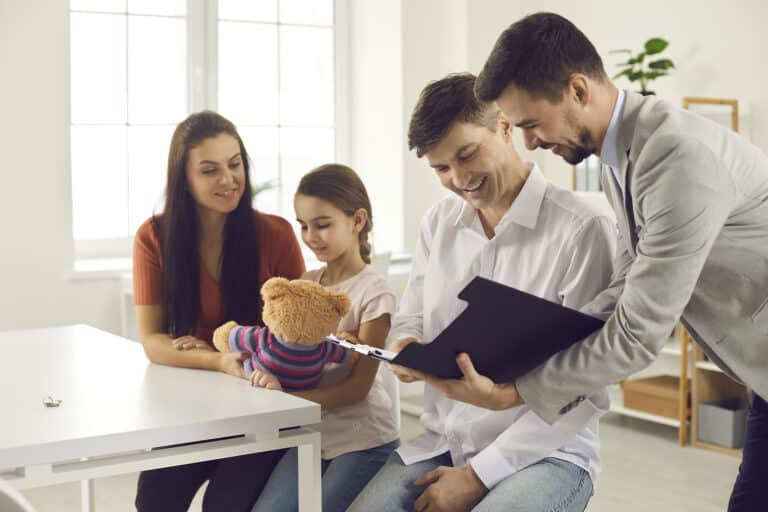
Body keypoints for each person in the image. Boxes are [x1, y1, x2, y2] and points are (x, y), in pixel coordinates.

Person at [461, 12, 768, 511]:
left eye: (532, 125)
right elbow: (628, 283)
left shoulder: (675, 158)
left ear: (578, 90)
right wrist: (523, 344)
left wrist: (518, 390)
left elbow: (637, 333)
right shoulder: (620, 156)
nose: (532, 143)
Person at [349, 73, 617, 512]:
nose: (459, 179)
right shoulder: (439, 223)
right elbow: (413, 318)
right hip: (444, 441)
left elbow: (586, 391)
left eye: (467, 155)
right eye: (440, 168)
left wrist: (479, 475)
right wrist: (406, 348)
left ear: (506, 127)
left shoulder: (581, 230)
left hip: (547, 453)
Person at [132, 110, 305, 511]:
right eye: (210, 170)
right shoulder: (153, 237)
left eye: (235, 164)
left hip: (265, 399)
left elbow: (301, 333)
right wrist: (217, 361)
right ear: (184, 178)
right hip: (194, 401)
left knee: (224, 506)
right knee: (154, 501)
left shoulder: (275, 234)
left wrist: (230, 364)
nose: (229, 180)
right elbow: (152, 341)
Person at [250, 164, 400, 512]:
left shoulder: (375, 294)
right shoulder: (307, 282)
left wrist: (286, 398)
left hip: (365, 440)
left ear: (357, 220)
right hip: (315, 435)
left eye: (322, 225)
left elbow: (357, 388)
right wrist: (268, 375)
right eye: (303, 225)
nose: (310, 236)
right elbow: (286, 353)